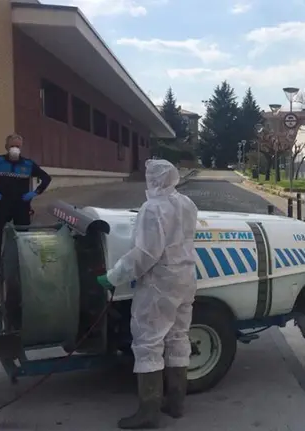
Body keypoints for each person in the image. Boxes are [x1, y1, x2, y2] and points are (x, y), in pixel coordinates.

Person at [96, 159, 198, 430]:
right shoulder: (186, 203)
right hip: (186, 277)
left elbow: (145, 254)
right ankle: (176, 402)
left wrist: (114, 276)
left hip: (160, 282)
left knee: (149, 341)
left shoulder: (152, 208)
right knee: (178, 336)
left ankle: (149, 411)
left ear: (154, 179)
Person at [0, 134, 51, 287]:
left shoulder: (28, 164)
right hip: (1, 205)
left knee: (23, 240)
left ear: (21, 148)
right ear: (6, 147)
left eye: (18, 146)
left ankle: (24, 272)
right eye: (12, 146)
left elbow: (46, 178)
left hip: (21, 206)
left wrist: (35, 193)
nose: (15, 149)